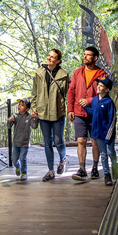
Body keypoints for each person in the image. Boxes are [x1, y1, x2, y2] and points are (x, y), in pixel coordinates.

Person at [69, 46, 108, 181]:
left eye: (88, 55)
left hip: (96, 112)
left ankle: (95, 168)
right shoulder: (77, 73)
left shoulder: (102, 74)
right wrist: (70, 109)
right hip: (79, 112)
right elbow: (71, 91)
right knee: (81, 140)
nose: (85, 57)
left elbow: (104, 92)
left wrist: (89, 100)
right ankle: (82, 169)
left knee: (95, 141)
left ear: (95, 58)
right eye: (84, 54)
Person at [31, 49, 70, 181]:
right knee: (47, 142)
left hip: (57, 112)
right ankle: (50, 170)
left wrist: (70, 110)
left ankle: (63, 160)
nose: (49, 58)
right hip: (42, 113)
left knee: (58, 141)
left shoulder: (63, 75)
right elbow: (34, 93)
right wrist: (34, 108)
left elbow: (67, 95)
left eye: (52, 57)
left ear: (58, 60)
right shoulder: (39, 73)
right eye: (48, 56)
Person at [84, 77, 117, 186]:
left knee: (111, 152)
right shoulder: (94, 100)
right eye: (98, 84)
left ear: (107, 89)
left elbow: (112, 119)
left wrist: (109, 135)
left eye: (101, 85)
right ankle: (107, 175)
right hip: (97, 133)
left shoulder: (109, 102)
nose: (98, 86)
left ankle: (115, 169)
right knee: (103, 155)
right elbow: (93, 112)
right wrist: (85, 107)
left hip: (108, 134)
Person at [8, 98, 37, 181]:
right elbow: (9, 126)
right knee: (14, 159)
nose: (19, 106)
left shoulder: (29, 117)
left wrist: (36, 118)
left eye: (22, 105)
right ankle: (17, 167)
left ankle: (24, 173)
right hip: (16, 143)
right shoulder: (15, 116)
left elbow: (34, 126)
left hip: (24, 143)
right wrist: (9, 121)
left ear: (27, 109)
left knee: (22, 158)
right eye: (19, 104)